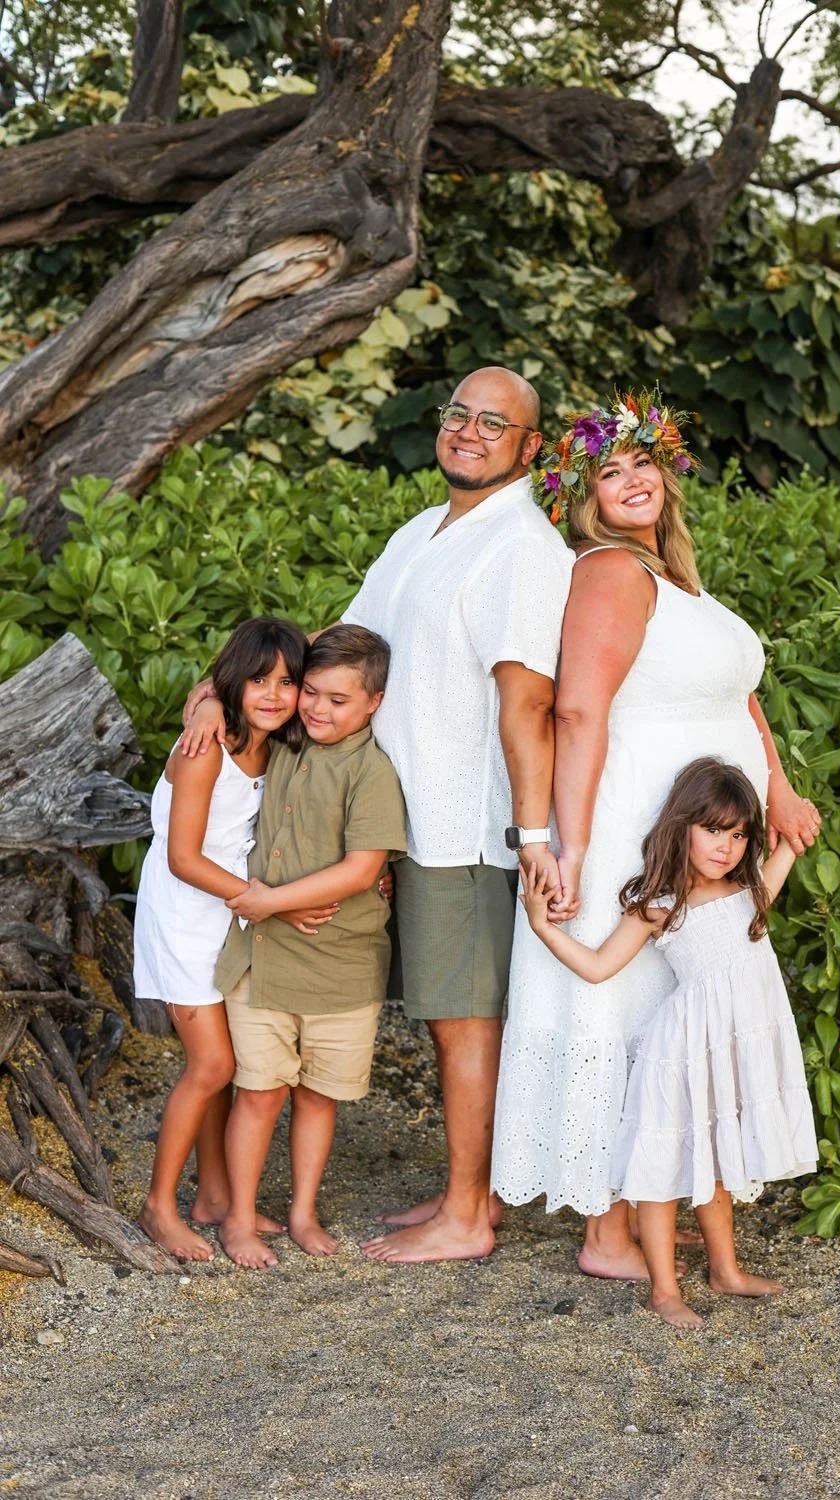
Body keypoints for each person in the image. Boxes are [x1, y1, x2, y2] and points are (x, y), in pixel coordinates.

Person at [492, 391, 821, 1279]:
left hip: (707, 824)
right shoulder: (610, 570)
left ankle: (656, 1205)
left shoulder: (677, 579)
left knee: (678, 1021)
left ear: (668, 476)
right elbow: (577, 710)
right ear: (585, 497)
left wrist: (779, 786)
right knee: (625, 1011)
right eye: (610, 470)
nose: (633, 479)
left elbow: (738, 697)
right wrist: (570, 844)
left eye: (643, 462)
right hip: (635, 820)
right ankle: (606, 1229)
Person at [348, 366, 573, 1264]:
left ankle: (470, 1215)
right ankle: (465, 1192)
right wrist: (231, 681)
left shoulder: (523, 547)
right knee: (450, 1016)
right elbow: (350, 645)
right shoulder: (424, 531)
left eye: (493, 422)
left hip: (467, 827)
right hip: (409, 819)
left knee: (467, 1021)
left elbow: (529, 702)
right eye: (458, 415)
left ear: (530, 447)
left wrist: (530, 837)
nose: (468, 431)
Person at [519, 757, 818, 1329]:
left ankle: (725, 1271)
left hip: (725, 1057)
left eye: (738, 835)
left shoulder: (749, 890)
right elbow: (599, 966)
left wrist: (793, 806)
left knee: (718, 1164)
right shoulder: (662, 903)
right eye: (713, 830)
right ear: (683, 826)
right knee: (659, 1177)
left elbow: (794, 839)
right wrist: (542, 926)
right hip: (679, 1056)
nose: (726, 847)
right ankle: (664, 1290)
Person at [210, 625, 408, 1269]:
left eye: (338, 700)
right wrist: (208, 703)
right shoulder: (283, 738)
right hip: (264, 961)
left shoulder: (371, 772)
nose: (317, 708)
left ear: (374, 702)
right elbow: (240, 679)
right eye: (311, 691)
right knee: (258, 1092)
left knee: (317, 1096)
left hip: (341, 968)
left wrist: (271, 899)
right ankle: (240, 1217)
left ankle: (302, 1211)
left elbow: (361, 869)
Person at [133, 617, 311, 1261]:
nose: (273, 694)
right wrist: (271, 906)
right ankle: (158, 1207)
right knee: (212, 1065)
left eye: (287, 682)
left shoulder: (273, 745)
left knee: (224, 1064)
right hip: (185, 915)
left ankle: (212, 1195)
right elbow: (182, 857)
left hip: (228, 917)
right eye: (259, 680)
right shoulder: (207, 746)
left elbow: (331, 631)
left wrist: (210, 690)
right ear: (234, 680)